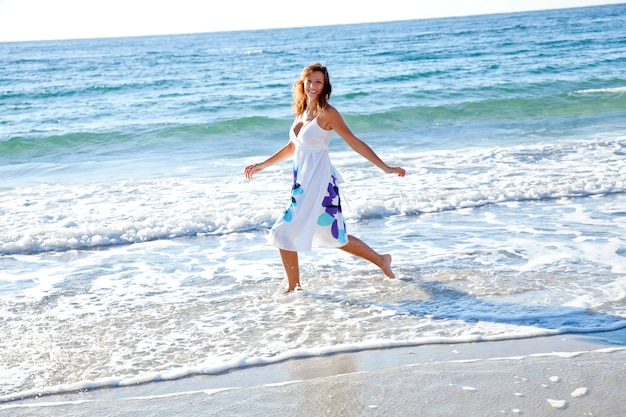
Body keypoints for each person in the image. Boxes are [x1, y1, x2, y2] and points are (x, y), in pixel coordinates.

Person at [244, 63, 406, 292]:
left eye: (318, 82)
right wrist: (263, 165)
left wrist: (385, 168)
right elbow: (292, 147)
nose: (313, 86)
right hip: (302, 183)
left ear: (324, 86)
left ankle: (294, 288)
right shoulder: (302, 111)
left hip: (320, 183)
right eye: (309, 81)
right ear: (303, 83)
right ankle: (381, 260)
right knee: (332, 235)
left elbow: (355, 142)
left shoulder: (327, 113)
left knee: (284, 231)